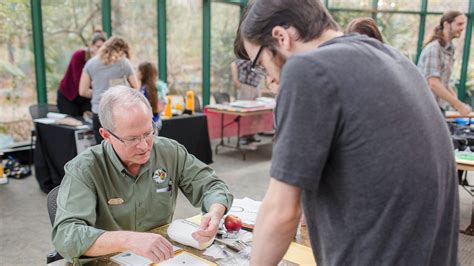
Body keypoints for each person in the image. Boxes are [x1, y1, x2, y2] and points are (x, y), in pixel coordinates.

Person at [235, 1, 459, 265]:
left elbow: (281, 212)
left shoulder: (308, 70)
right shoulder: (395, 59)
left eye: (261, 64)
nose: (269, 79)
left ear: (281, 37)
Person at [52, 86, 233, 263]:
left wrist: (215, 212)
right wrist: (129, 240)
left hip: (159, 258)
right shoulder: (85, 169)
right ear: (106, 135)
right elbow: (66, 236)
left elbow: (212, 185)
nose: (145, 146)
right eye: (132, 139)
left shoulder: (169, 152)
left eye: (148, 133)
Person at [79, 36, 140, 143]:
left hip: (98, 112)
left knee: (101, 147)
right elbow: (136, 87)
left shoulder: (90, 63)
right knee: (120, 146)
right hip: (119, 112)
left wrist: (98, 93)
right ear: (123, 50)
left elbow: (83, 91)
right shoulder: (123, 63)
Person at [418, 11, 470, 115]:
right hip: (426, 108)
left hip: (438, 107)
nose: (462, 28)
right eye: (459, 24)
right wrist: (458, 105)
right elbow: (433, 84)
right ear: (446, 24)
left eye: (463, 25)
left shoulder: (449, 49)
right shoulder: (434, 49)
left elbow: (443, 82)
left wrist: (455, 100)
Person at [56, 30, 106, 116]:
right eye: (98, 47)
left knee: (91, 123)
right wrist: (98, 91)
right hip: (69, 96)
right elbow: (79, 82)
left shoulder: (104, 60)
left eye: (104, 48)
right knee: (72, 124)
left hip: (86, 97)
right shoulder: (79, 55)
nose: (101, 50)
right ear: (91, 46)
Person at [231, 59, 263, 145]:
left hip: (255, 88)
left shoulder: (259, 59)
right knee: (245, 115)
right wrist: (236, 81)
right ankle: (243, 137)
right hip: (246, 87)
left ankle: (250, 136)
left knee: (255, 115)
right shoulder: (249, 59)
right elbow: (234, 63)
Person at [138, 62, 168, 130]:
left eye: (139, 71)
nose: (137, 73)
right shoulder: (147, 88)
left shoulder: (147, 89)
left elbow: (161, 106)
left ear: (144, 74)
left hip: (151, 123)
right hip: (154, 121)